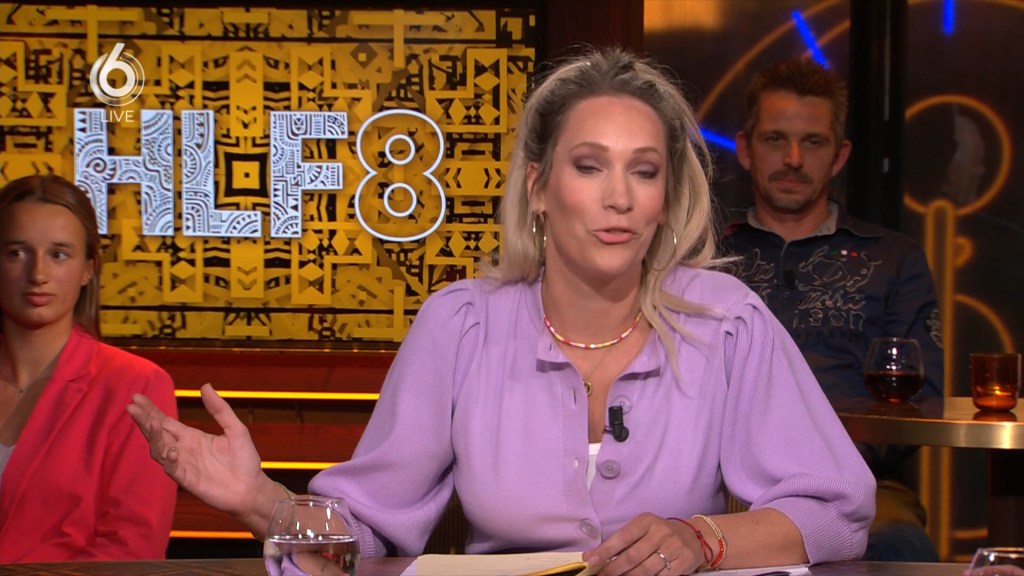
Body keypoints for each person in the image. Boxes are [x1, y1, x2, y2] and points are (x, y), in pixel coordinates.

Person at [128, 48, 874, 575]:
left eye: (644, 171)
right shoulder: (462, 325)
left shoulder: (725, 320)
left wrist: (703, 538)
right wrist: (258, 499)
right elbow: (362, 531)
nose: (620, 197)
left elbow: (835, 513)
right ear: (539, 187)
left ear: (665, 196)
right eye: (590, 166)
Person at [721, 57, 943, 562]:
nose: (794, 158)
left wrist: (821, 469)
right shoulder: (703, 255)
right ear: (746, 149)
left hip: (861, 486)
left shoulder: (895, 259)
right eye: (775, 139)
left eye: (813, 142)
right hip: (718, 484)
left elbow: (922, 398)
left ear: (839, 156)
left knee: (896, 540)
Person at [0, 174, 178, 562]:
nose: (38, 274)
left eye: (58, 254)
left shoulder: (137, 385)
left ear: (87, 269)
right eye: (17, 253)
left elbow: (133, 547)